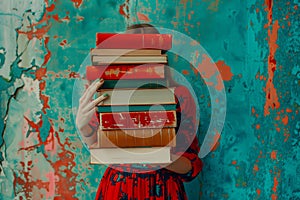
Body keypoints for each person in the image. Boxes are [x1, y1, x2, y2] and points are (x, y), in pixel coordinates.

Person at [76, 23, 203, 200]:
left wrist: (157, 157)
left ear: (160, 56)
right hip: (119, 188)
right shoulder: (106, 93)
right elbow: (97, 147)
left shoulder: (179, 96)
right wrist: (83, 128)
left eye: (148, 52)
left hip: (163, 189)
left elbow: (191, 166)